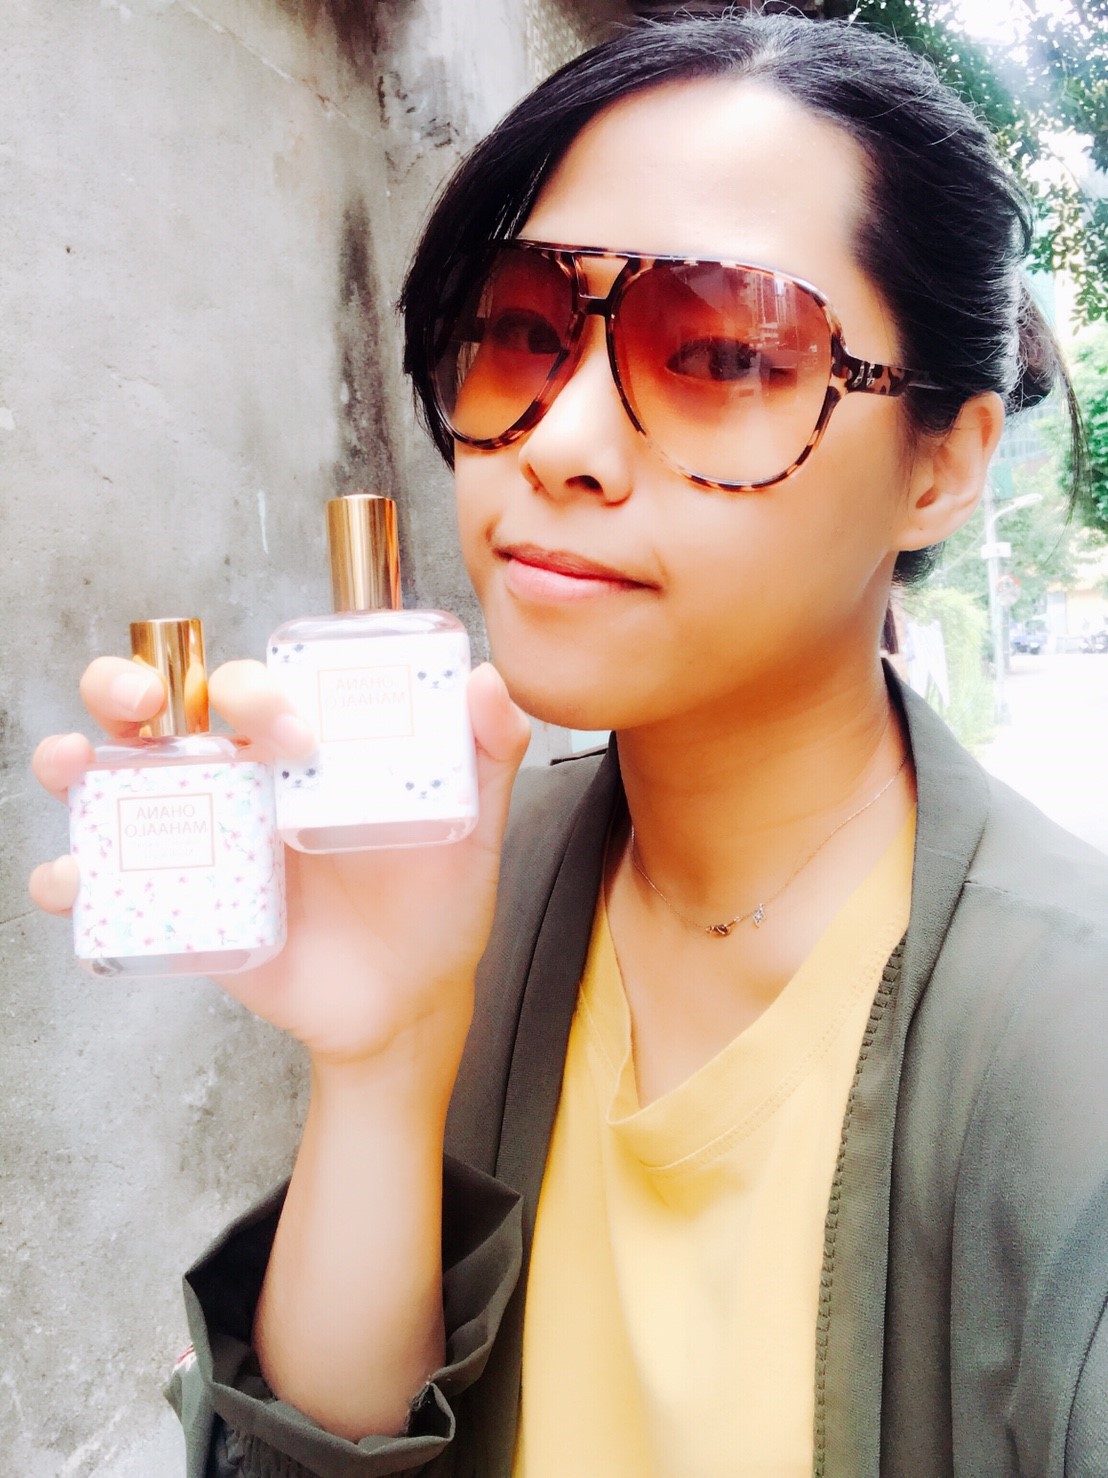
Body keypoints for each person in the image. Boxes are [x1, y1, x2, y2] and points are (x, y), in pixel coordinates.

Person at [29, 13, 1108, 1477]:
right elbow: (324, 1448)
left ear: (943, 464)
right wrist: (384, 1059)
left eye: (721, 351)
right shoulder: (486, 877)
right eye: (525, 333)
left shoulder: (1065, 1060)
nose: (559, 442)